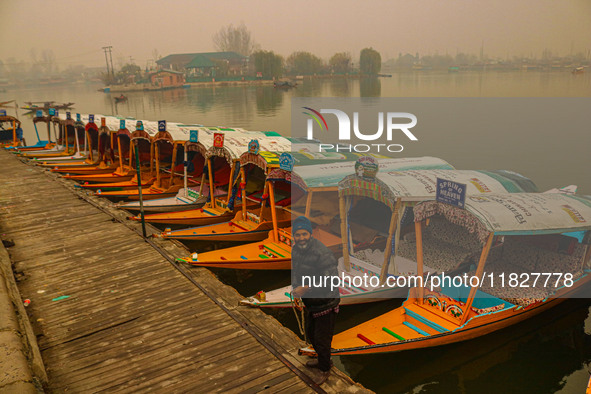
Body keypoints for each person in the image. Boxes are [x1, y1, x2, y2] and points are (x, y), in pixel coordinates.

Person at [291, 216, 340, 385]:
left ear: (310, 234)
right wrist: (296, 291)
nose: (301, 238)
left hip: (326, 303)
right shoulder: (296, 250)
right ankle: (321, 360)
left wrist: (307, 287)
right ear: (294, 237)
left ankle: (325, 369)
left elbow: (332, 279)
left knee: (322, 340)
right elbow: (296, 272)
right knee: (311, 334)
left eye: (304, 234)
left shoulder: (322, 253)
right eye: (298, 235)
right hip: (310, 302)